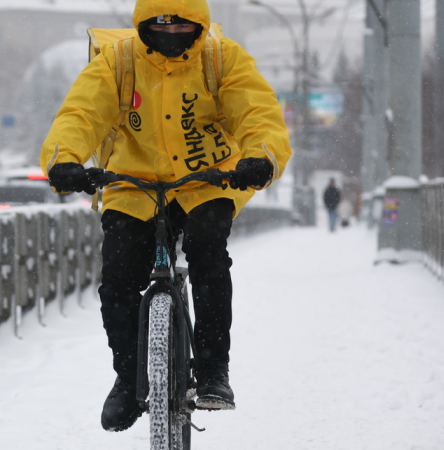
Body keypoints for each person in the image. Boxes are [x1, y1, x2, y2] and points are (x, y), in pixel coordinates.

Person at [40, 0, 292, 432]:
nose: (171, 37)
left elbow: (256, 112)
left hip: (207, 180)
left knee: (207, 252)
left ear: (199, 26)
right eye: (160, 28)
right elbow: (81, 114)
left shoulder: (221, 58)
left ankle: (214, 372)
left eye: (182, 28)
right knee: (118, 277)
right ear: (142, 26)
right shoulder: (118, 62)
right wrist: (65, 160)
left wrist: (260, 156)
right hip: (132, 182)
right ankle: (129, 377)